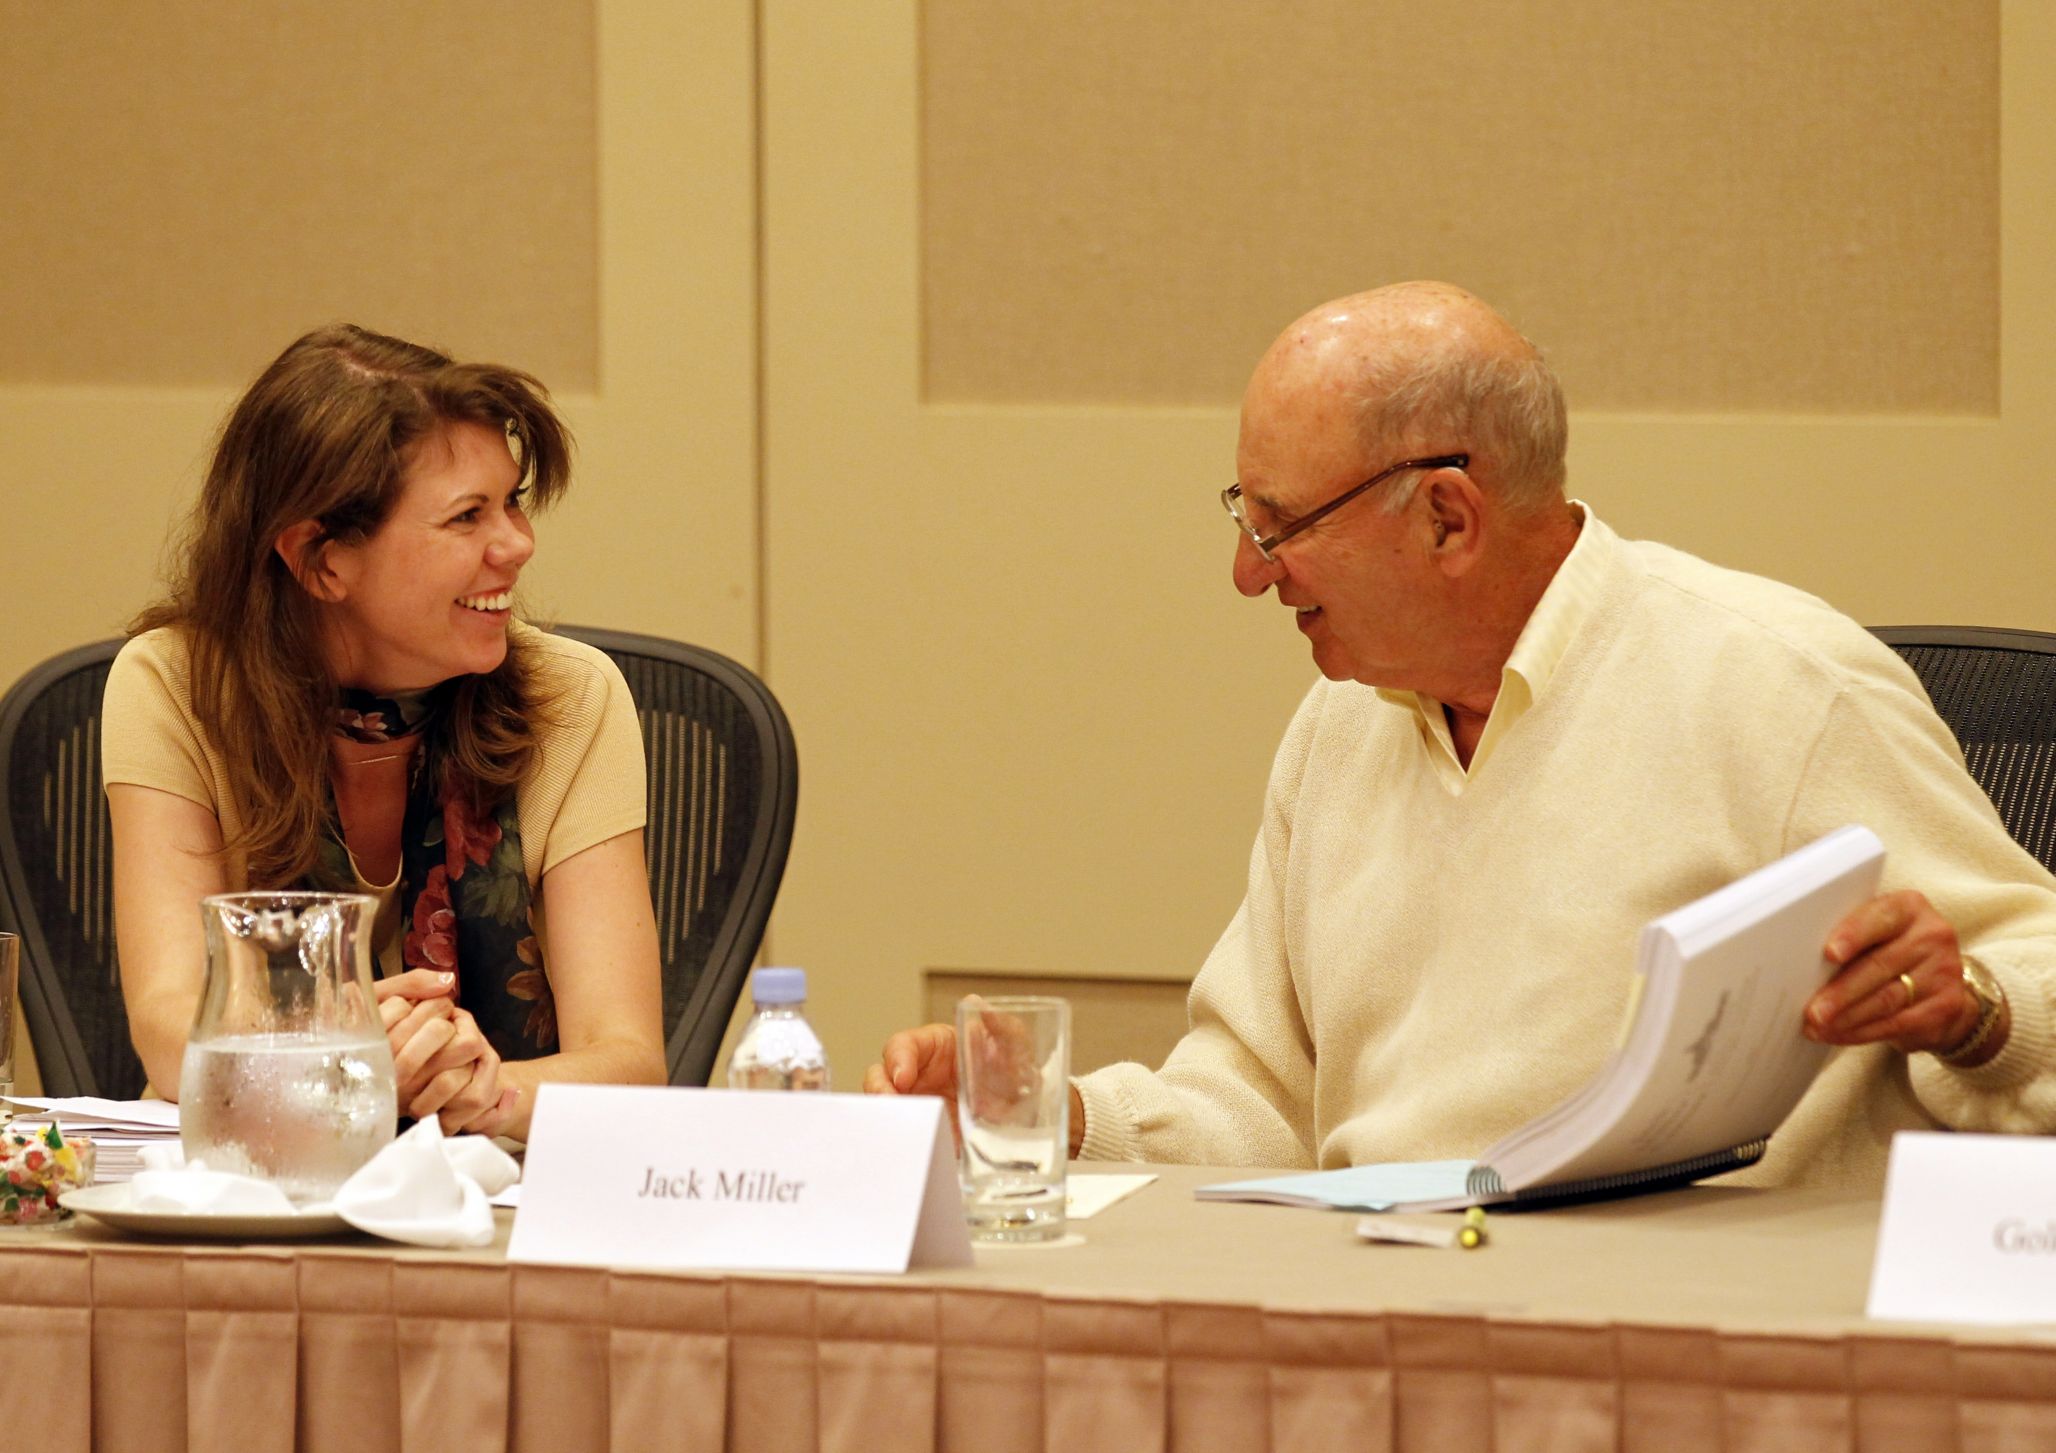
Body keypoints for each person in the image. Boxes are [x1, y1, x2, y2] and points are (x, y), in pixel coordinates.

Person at [866, 282, 2056, 1187]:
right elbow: (1264, 1106)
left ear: (1446, 516)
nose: (1245, 573)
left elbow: (2032, 970)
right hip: (1383, 1315)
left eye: (1278, 527)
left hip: (1700, 1336)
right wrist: (1053, 1114)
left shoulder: (1778, 687)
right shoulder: (1340, 723)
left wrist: (1978, 1012)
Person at [105, 324, 667, 1140]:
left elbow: (628, 1063)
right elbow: (168, 1030)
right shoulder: (180, 689)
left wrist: (484, 1092)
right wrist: (353, 1045)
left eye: (510, 501)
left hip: (503, 1205)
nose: (517, 543)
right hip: (264, 1185)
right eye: (467, 516)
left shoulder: (571, 699)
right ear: (321, 560)